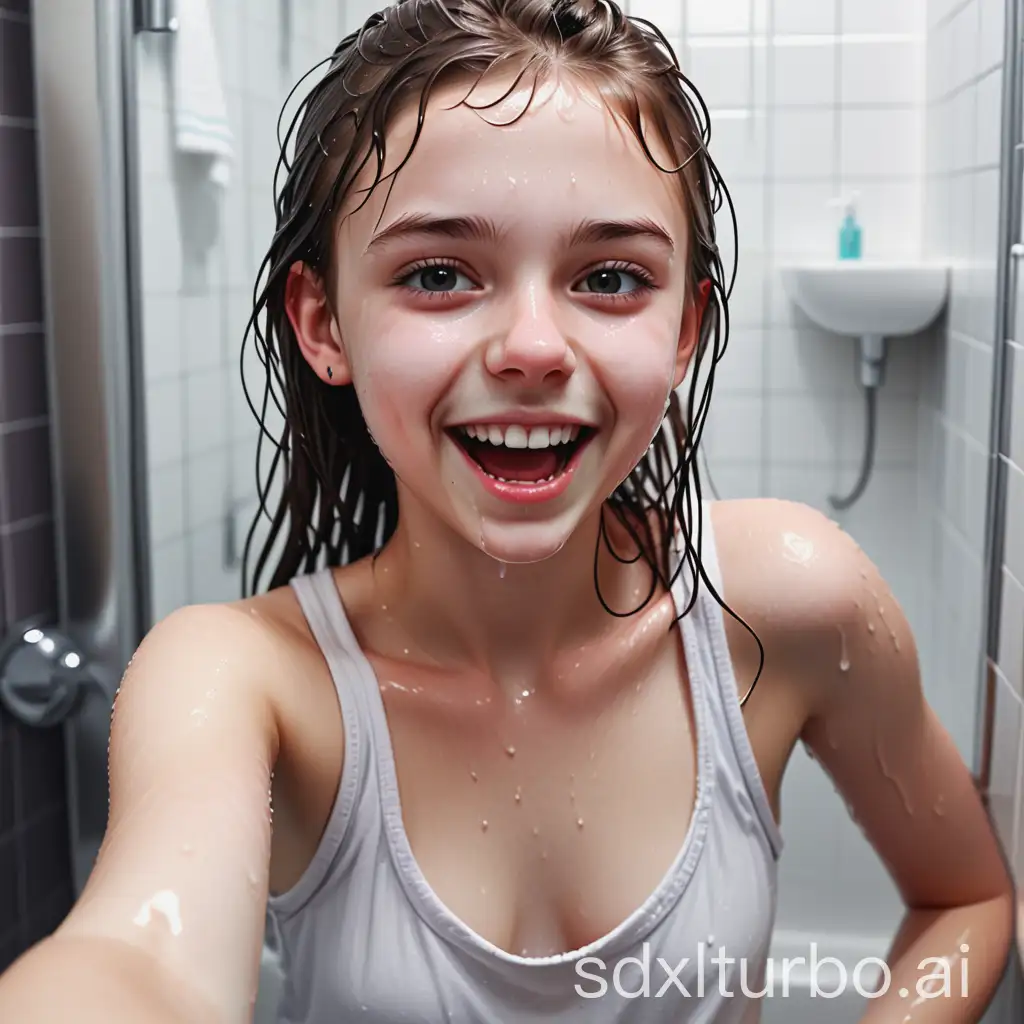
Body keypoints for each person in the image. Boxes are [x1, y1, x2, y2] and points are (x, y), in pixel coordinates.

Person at [0, 1, 1013, 1021]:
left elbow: (965, 897)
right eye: (438, 274)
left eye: (611, 278)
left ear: (682, 329)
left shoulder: (787, 604)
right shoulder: (240, 680)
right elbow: (137, 963)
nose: (533, 347)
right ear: (323, 323)